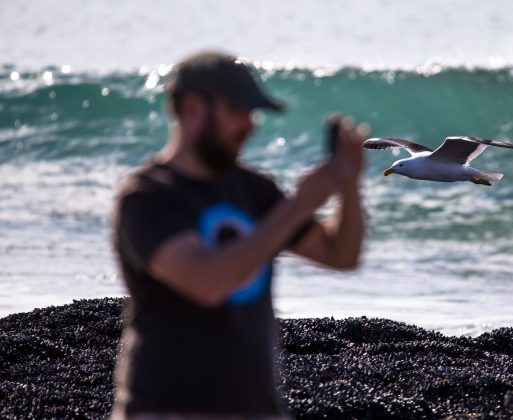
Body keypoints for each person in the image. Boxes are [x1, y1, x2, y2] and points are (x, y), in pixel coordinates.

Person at [110, 51, 369, 419]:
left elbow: (340, 255)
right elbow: (206, 282)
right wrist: (299, 205)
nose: (249, 126)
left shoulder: (254, 190)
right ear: (193, 108)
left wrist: (349, 186)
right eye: (237, 110)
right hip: (167, 407)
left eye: (252, 113)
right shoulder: (148, 196)